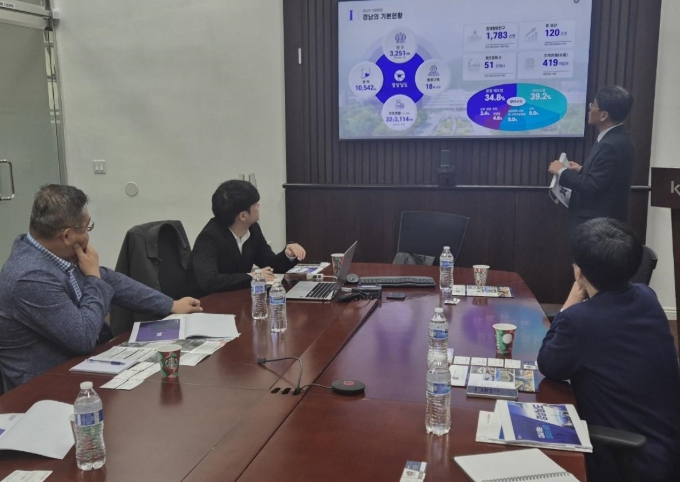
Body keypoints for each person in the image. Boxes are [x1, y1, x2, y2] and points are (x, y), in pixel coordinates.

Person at [0, 185, 202, 392]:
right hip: (43, 386)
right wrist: (93, 278)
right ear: (67, 236)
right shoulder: (30, 278)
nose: (88, 236)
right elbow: (83, 337)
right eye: (86, 227)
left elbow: (112, 281)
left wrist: (171, 305)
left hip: (80, 367)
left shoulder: (53, 253)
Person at [537, 218, 680, 482]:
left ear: (579, 272)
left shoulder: (580, 320)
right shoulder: (647, 296)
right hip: (664, 447)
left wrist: (570, 303)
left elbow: (548, 364)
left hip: (626, 459)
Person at [190, 180, 306, 294]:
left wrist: (288, 254)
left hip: (236, 297)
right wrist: (252, 276)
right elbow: (210, 281)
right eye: (255, 205)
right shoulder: (209, 238)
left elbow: (271, 265)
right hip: (207, 301)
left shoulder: (252, 229)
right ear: (243, 216)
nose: (259, 206)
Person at [548, 86, 635, 235]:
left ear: (603, 115)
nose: (589, 109)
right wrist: (582, 170)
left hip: (598, 225)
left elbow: (591, 186)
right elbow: (606, 177)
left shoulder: (609, 145)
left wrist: (561, 171)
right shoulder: (619, 138)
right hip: (604, 221)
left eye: (593, 105)